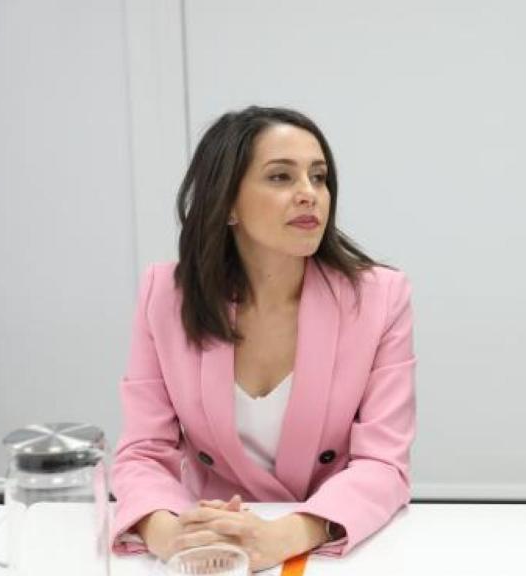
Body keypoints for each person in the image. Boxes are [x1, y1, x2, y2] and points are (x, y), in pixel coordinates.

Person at [111, 106, 415, 570]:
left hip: (331, 545)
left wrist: (282, 538)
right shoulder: (166, 295)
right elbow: (142, 452)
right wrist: (170, 533)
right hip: (210, 545)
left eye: (319, 177)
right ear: (227, 201)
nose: (309, 194)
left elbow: (384, 464)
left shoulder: (379, 298)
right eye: (280, 177)